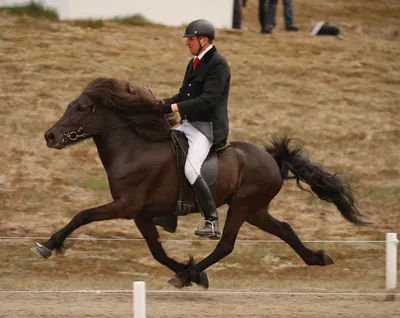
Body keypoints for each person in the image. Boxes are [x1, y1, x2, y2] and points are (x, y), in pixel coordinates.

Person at [155, 19, 231, 239]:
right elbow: (183, 94)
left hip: (206, 128)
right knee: (166, 156)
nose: (187, 43)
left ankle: (212, 221)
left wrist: (174, 107)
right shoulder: (194, 63)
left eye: (190, 39)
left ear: (203, 40)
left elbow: (209, 99)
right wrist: (161, 105)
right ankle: (168, 214)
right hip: (189, 124)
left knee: (190, 169)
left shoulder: (218, 64)